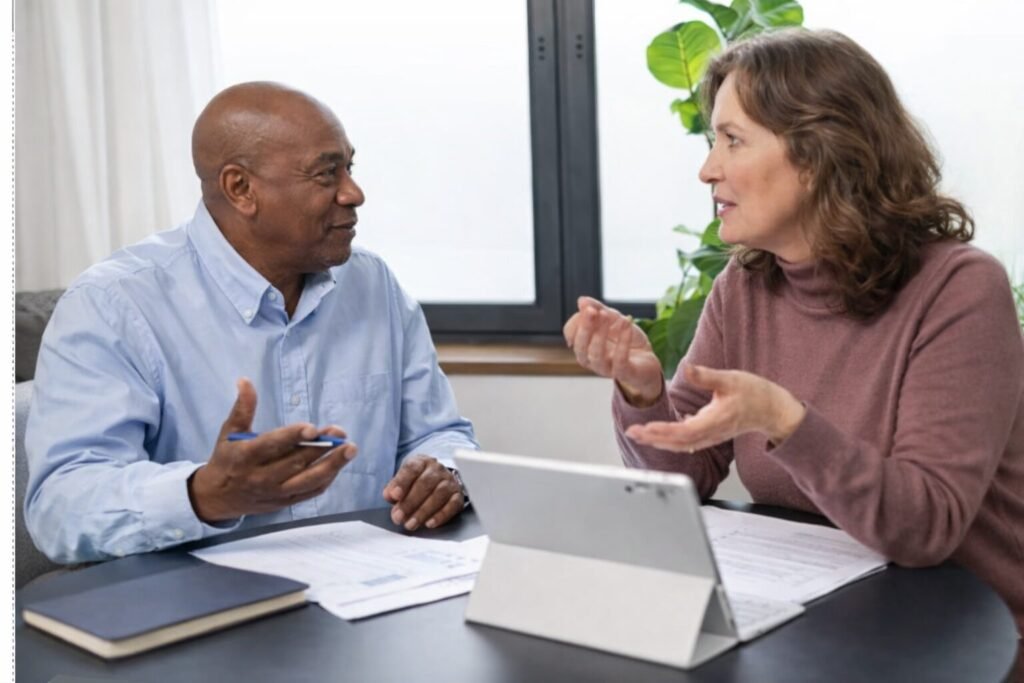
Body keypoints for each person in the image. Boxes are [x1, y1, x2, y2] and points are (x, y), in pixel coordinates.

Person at [564, 28, 1024, 668]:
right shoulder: (745, 286)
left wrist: (784, 419)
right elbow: (683, 482)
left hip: (963, 642)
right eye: (710, 140)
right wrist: (644, 391)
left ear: (818, 153)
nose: (707, 169)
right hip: (817, 627)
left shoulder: (959, 290)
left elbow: (924, 528)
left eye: (732, 139)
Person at [25, 82, 478, 564]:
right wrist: (203, 495)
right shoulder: (112, 305)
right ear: (241, 189)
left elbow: (439, 432)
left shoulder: (372, 284)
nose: (354, 192)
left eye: (350, 167)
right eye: (326, 174)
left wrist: (443, 472)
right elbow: (61, 508)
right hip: (201, 609)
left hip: (372, 589)